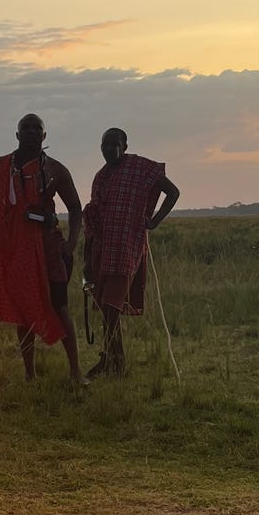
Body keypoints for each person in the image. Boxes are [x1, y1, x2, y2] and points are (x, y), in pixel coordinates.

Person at [0, 114, 85, 382]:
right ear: (17, 134)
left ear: (44, 136)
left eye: (37, 128)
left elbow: (76, 208)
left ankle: (76, 371)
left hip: (48, 248)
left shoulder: (55, 170)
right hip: (15, 250)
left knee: (60, 307)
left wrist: (70, 244)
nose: (32, 132)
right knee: (23, 312)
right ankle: (30, 374)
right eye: (26, 128)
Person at [82, 128, 180, 378]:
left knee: (112, 308)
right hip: (101, 251)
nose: (109, 149)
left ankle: (117, 364)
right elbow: (92, 219)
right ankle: (111, 360)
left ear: (125, 146)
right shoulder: (100, 177)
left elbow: (173, 192)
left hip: (127, 248)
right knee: (106, 310)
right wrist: (86, 260)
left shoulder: (140, 168)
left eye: (115, 144)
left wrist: (155, 220)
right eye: (105, 144)